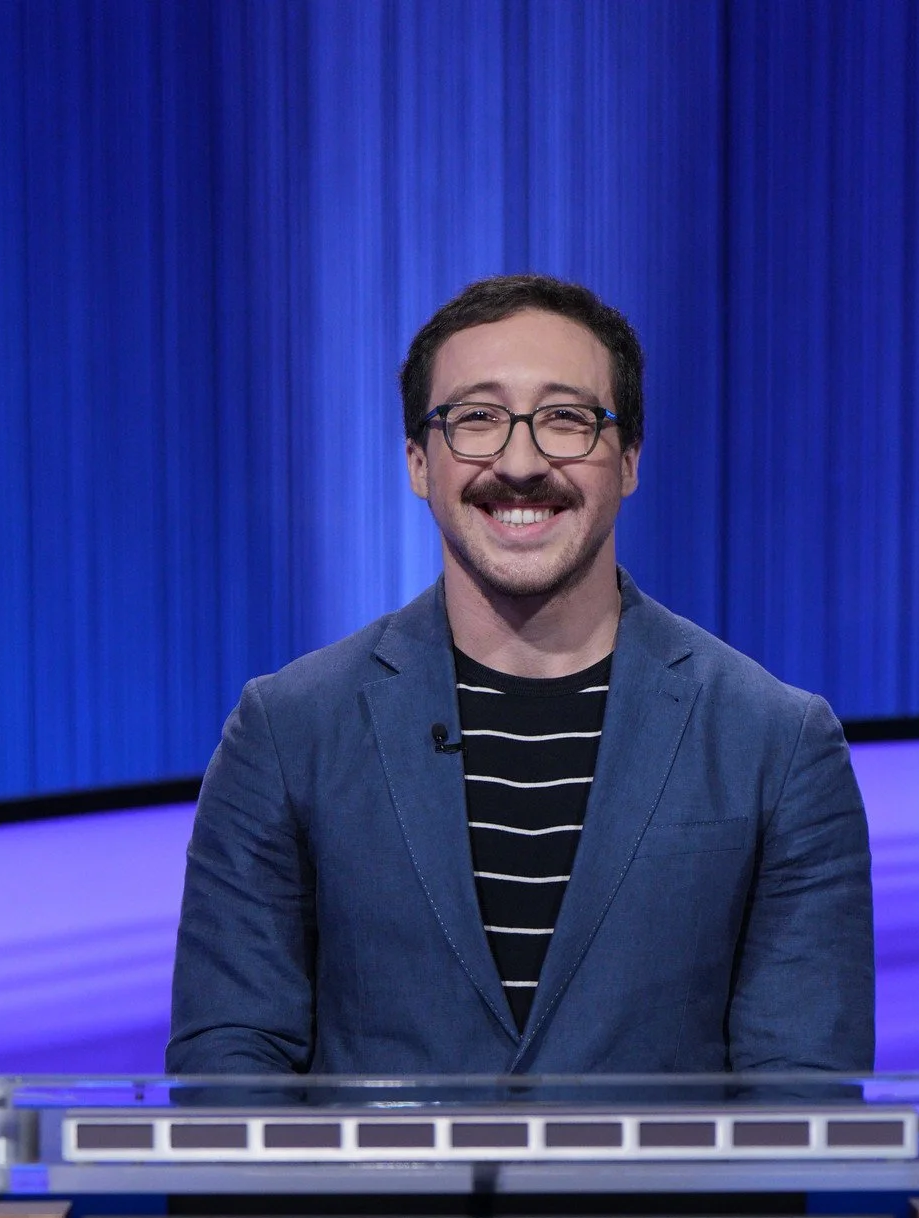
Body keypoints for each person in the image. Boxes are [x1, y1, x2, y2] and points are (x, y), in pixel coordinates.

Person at [169, 273, 873, 1076]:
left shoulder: (776, 745)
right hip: (378, 1208)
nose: (521, 460)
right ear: (418, 463)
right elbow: (231, 1067)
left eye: (566, 420)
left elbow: (801, 1093)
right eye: (477, 419)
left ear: (631, 459)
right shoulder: (287, 732)